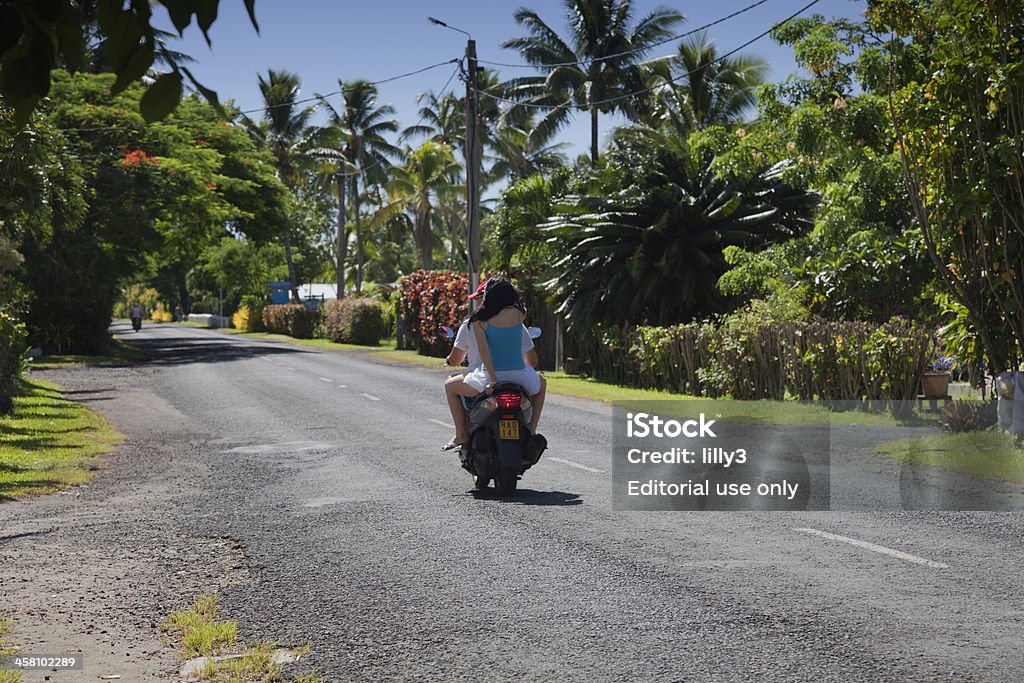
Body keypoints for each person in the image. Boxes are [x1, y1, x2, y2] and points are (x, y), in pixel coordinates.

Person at [442, 276, 547, 450]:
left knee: (450, 386)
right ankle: (531, 429)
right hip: (520, 376)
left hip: (490, 376)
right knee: (542, 384)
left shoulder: (478, 321)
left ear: (487, 297)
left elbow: (485, 353)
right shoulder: (519, 315)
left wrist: (492, 379)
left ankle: (461, 434)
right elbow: (532, 360)